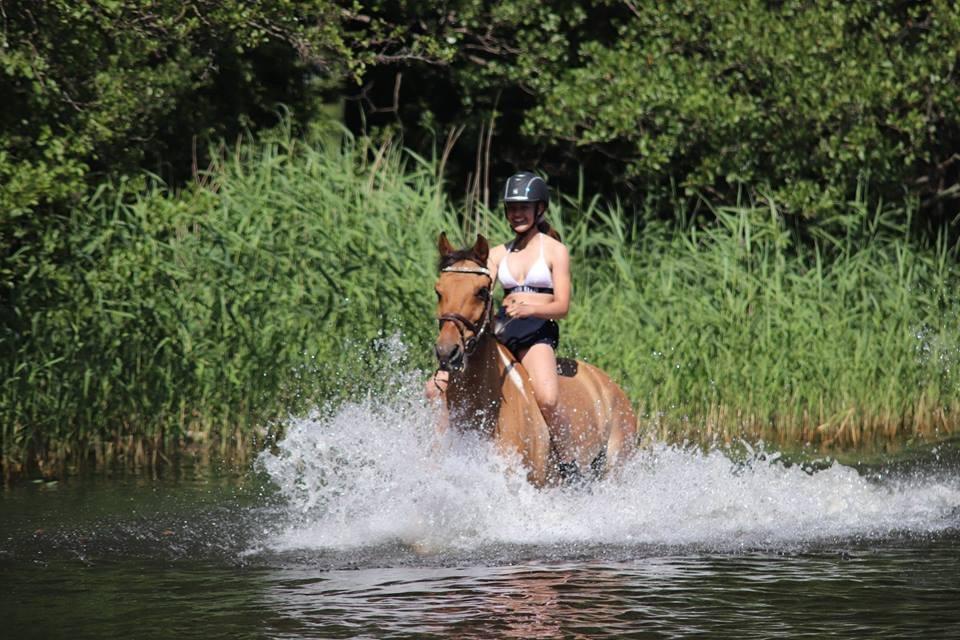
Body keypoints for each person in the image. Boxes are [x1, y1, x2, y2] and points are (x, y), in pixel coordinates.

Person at [428, 172, 571, 455]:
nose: (517, 214)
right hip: (501, 333)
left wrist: (531, 307)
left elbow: (562, 307)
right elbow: (479, 288)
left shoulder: (555, 250)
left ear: (539, 209)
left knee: (548, 397)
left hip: (534, 335)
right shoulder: (496, 254)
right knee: (436, 388)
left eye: (524, 208)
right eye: (512, 208)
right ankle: (437, 455)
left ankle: (567, 459)